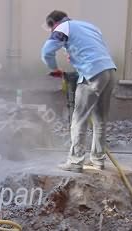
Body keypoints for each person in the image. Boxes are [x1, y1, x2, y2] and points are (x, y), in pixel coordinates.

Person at [41, 10, 117, 172]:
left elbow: (47, 52)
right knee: (100, 120)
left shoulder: (62, 27)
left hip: (92, 74)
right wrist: (74, 55)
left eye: (52, 29)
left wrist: (54, 69)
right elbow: (94, 48)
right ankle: (98, 160)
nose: (53, 32)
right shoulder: (89, 26)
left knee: (79, 119)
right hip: (109, 72)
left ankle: (75, 162)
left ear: (54, 24)